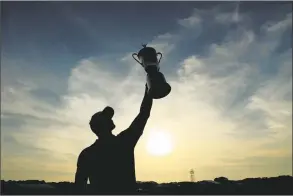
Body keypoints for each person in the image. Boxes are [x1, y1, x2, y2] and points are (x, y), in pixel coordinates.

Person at [75, 84, 153, 194]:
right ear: (102, 125)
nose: (110, 119)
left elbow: (79, 189)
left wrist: (149, 89)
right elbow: (144, 114)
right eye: (106, 118)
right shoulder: (124, 142)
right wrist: (149, 89)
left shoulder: (86, 154)